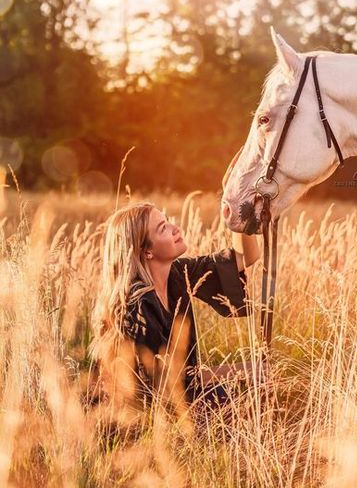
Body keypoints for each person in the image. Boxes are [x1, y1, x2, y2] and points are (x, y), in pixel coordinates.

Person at [90, 159, 260, 410]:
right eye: (163, 228)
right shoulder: (136, 307)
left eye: (168, 221)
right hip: (150, 419)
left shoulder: (177, 274)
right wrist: (240, 371)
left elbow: (246, 257)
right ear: (145, 251)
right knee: (251, 399)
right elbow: (165, 389)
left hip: (183, 400)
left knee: (260, 388)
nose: (175, 228)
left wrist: (235, 199)